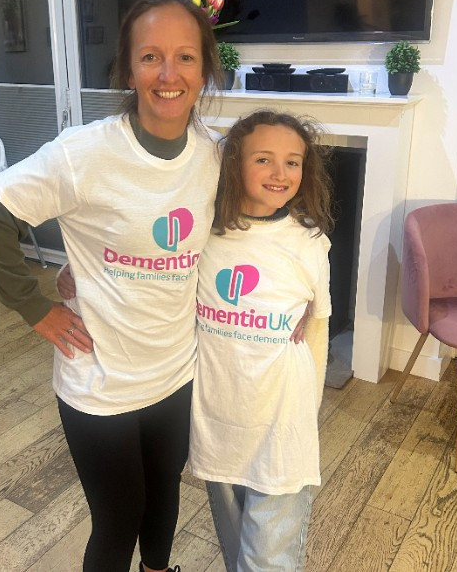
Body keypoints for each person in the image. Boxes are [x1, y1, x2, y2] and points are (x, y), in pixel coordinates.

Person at [0, 0, 224, 572]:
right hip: (100, 381)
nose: (168, 74)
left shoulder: (211, 155)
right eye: (150, 57)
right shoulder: (84, 154)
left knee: (164, 491)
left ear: (204, 69)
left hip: (176, 371)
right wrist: (35, 307)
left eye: (185, 57)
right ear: (129, 70)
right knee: (119, 517)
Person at [188, 110, 333, 571]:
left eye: (293, 162)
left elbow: (318, 329)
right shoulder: (204, 234)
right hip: (217, 416)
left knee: (269, 556)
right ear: (234, 164)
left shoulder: (308, 244)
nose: (280, 173)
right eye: (264, 159)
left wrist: (308, 412)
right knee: (236, 544)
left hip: (282, 419)